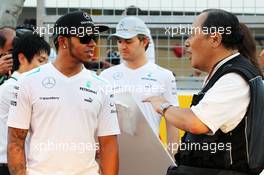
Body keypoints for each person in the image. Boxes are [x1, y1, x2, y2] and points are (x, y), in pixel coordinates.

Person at [144, 9, 264, 174]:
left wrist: (162, 106)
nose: (187, 42)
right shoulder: (225, 73)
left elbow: (195, 122)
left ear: (215, 39)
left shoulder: (234, 79)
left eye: (192, 35)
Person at [7, 11, 120, 175]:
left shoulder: (102, 85)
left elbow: (108, 144)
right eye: (84, 38)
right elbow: (15, 142)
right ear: (62, 41)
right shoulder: (28, 82)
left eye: (94, 37)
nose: (93, 44)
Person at [100, 16, 179, 147]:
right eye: (119, 41)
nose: (122, 46)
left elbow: (172, 122)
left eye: (128, 41)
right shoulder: (106, 75)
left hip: (149, 152)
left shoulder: (164, 75)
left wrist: (174, 158)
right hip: (113, 152)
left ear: (144, 41)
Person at [0, 33, 50, 175]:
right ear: (22, 58)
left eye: (47, 62)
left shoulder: (15, 86)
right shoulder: (13, 88)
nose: (45, 68)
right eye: (41, 61)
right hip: (10, 167)